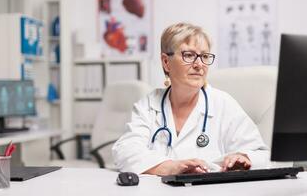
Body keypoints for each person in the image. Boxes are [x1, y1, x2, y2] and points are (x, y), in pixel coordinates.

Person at [112, 23, 269, 176]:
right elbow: (125, 151)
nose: (199, 64)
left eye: (205, 56)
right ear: (166, 62)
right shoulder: (148, 105)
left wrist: (244, 157)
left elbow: (261, 154)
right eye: (189, 55)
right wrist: (169, 167)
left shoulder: (223, 104)